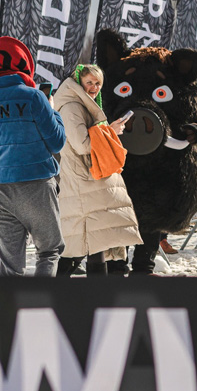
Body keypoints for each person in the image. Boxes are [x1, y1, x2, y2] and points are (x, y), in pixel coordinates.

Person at [0, 36, 66, 276]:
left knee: (10, 264)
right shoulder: (34, 97)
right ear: (24, 64)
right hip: (37, 185)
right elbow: (57, 141)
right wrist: (52, 111)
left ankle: (8, 301)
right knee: (49, 251)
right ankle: (42, 299)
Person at [52, 64, 143, 276]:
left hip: (90, 179)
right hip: (83, 180)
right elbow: (82, 144)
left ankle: (94, 291)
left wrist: (108, 132)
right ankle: (60, 288)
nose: (94, 87)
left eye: (98, 83)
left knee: (95, 241)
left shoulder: (82, 104)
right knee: (84, 242)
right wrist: (110, 131)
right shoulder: (72, 107)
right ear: (78, 82)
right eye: (89, 82)